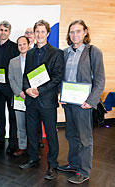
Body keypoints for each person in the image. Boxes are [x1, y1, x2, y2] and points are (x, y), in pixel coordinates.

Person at [57, 20, 105, 184]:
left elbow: (100, 80)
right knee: (71, 135)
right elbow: (61, 76)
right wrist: (59, 94)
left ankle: (84, 171)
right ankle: (73, 164)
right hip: (68, 102)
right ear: (69, 35)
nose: (75, 35)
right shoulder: (65, 53)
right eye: (72, 32)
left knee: (85, 139)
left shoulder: (93, 52)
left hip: (84, 103)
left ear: (85, 32)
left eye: (78, 31)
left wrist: (91, 101)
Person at [19, 20, 64, 180]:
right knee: (31, 131)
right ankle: (33, 157)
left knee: (51, 134)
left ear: (48, 33)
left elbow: (57, 77)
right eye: (36, 32)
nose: (39, 35)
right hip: (31, 100)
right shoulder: (30, 53)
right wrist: (27, 89)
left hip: (47, 101)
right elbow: (26, 76)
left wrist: (40, 90)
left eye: (42, 32)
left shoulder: (57, 53)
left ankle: (52, 164)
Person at [0, 21, 19, 154]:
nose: (3, 32)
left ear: (9, 32)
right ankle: (0, 138)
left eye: (6, 30)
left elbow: (17, 68)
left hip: (10, 87)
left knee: (12, 116)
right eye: (1, 30)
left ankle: (12, 142)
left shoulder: (14, 47)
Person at [8, 36, 29, 157]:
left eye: (24, 44)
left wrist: (29, 92)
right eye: (19, 45)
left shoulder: (33, 59)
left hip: (31, 96)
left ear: (28, 45)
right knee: (20, 124)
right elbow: (11, 79)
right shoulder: (13, 61)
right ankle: (22, 146)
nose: (22, 46)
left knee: (32, 124)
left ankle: (33, 148)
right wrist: (20, 92)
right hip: (18, 98)